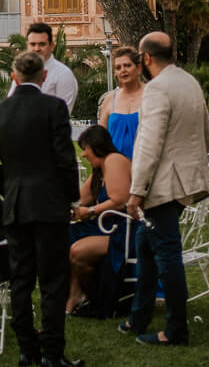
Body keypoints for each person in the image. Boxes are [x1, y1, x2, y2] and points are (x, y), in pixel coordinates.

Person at [0, 50, 79, 367]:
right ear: (44, 76)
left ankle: (26, 350)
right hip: (50, 205)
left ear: (13, 77)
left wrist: (7, 187)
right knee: (52, 281)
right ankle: (52, 354)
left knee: (21, 280)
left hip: (16, 205)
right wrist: (71, 197)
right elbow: (65, 158)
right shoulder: (54, 107)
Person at [123, 31, 209, 348]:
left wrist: (136, 191)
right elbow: (206, 133)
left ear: (146, 58)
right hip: (185, 179)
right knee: (144, 246)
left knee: (168, 256)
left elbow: (149, 143)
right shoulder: (189, 82)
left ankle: (175, 330)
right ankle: (139, 316)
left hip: (163, 185)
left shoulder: (157, 89)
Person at [65, 123, 134, 317]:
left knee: (77, 251)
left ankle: (99, 300)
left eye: (85, 149)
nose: (84, 154)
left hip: (122, 230)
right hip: (105, 227)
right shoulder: (99, 170)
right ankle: (75, 296)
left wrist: (91, 210)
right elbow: (80, 199)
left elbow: (120, 200)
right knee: (61, 237)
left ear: (96, 145)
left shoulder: (113, 160)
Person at [98, 45, 146, 158]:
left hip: (146, 166)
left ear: (138, 68)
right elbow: (100, 137)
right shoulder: (109, 99)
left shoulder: (151, 95)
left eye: (127, 65)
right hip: (116, 167)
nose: (123, 70)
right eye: (118, 68)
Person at [26, 22, 78, 113]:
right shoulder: (22, 72)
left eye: (42, 44)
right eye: (33, 44)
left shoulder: (63, 74)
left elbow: (62, 114)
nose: (37, 48)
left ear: (52, 46)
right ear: (27, 46)